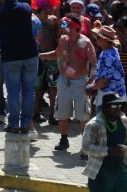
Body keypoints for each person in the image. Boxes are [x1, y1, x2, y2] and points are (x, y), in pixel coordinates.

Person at [40, 13, 96, 153]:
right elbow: (56, 54)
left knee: (83, 114)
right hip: (64, 81)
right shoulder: (63, 40)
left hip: (80, 83)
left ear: (74, 27)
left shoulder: (85, 42)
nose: (62, 27)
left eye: (65, 25)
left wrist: (90, 83)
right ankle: (64, 139)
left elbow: (94, 64)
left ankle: (85, 145)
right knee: (62, 112)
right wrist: (40, 55)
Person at [0, 0, 39, 134]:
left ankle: (13, 124)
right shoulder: (25, 8)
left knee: (13, 91)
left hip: (11, 57)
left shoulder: (0, 12)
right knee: (29, 91)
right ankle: (25, 123)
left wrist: (0, 6)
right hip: (30, 55)